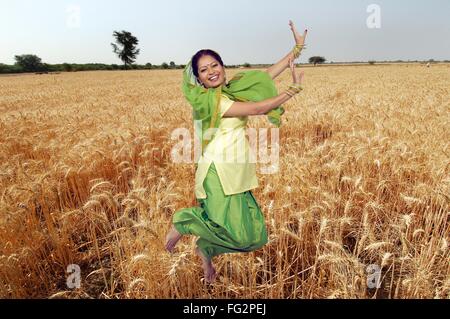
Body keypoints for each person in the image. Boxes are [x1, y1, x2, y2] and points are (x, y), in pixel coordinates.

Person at [165, 20, 307, 283]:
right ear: (198, 78)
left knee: (254, 236)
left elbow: (265, 75)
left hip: (237, 172)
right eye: (204, 70)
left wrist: (296, 50)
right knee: (234, 231)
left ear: (222, 67)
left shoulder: (229, 91)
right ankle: (184, 221)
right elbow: (256, 109)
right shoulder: (212, 102)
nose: (211, 71)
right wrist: (293, 90)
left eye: (214, 65)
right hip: (217, 173)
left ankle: (206, 249)